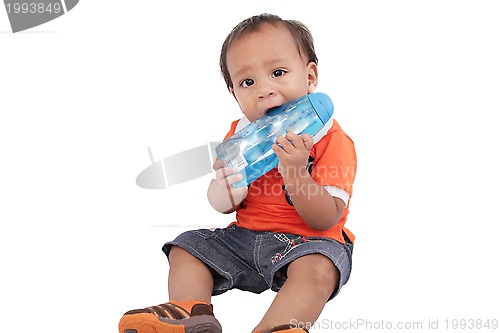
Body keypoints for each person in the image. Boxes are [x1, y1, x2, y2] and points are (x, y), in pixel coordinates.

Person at [119, 13, 357, 333]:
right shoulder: (240, 135)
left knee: (320, 269)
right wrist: (226, 184)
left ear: (310, 76)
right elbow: (225, 205)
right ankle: (190, 312)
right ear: (235, 94)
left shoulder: (331, 140)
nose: (264, 90)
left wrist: (296, 174)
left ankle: (277, 327)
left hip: (309, 242)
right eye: (248, 82)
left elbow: (325, 218)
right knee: (186, 246)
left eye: (278, 72)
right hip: (246, 238)